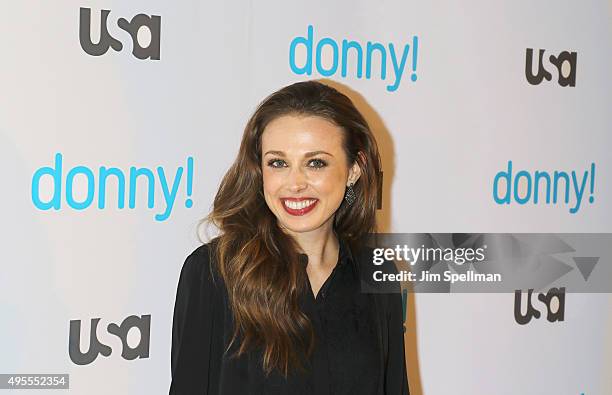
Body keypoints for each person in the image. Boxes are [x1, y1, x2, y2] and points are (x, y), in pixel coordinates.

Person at [170, 80, 409, 395]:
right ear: (260, 170)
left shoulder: (378, 273)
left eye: (315, 163)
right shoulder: (214, 273)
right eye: (278, 163)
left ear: (354, 168)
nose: (295, 184)